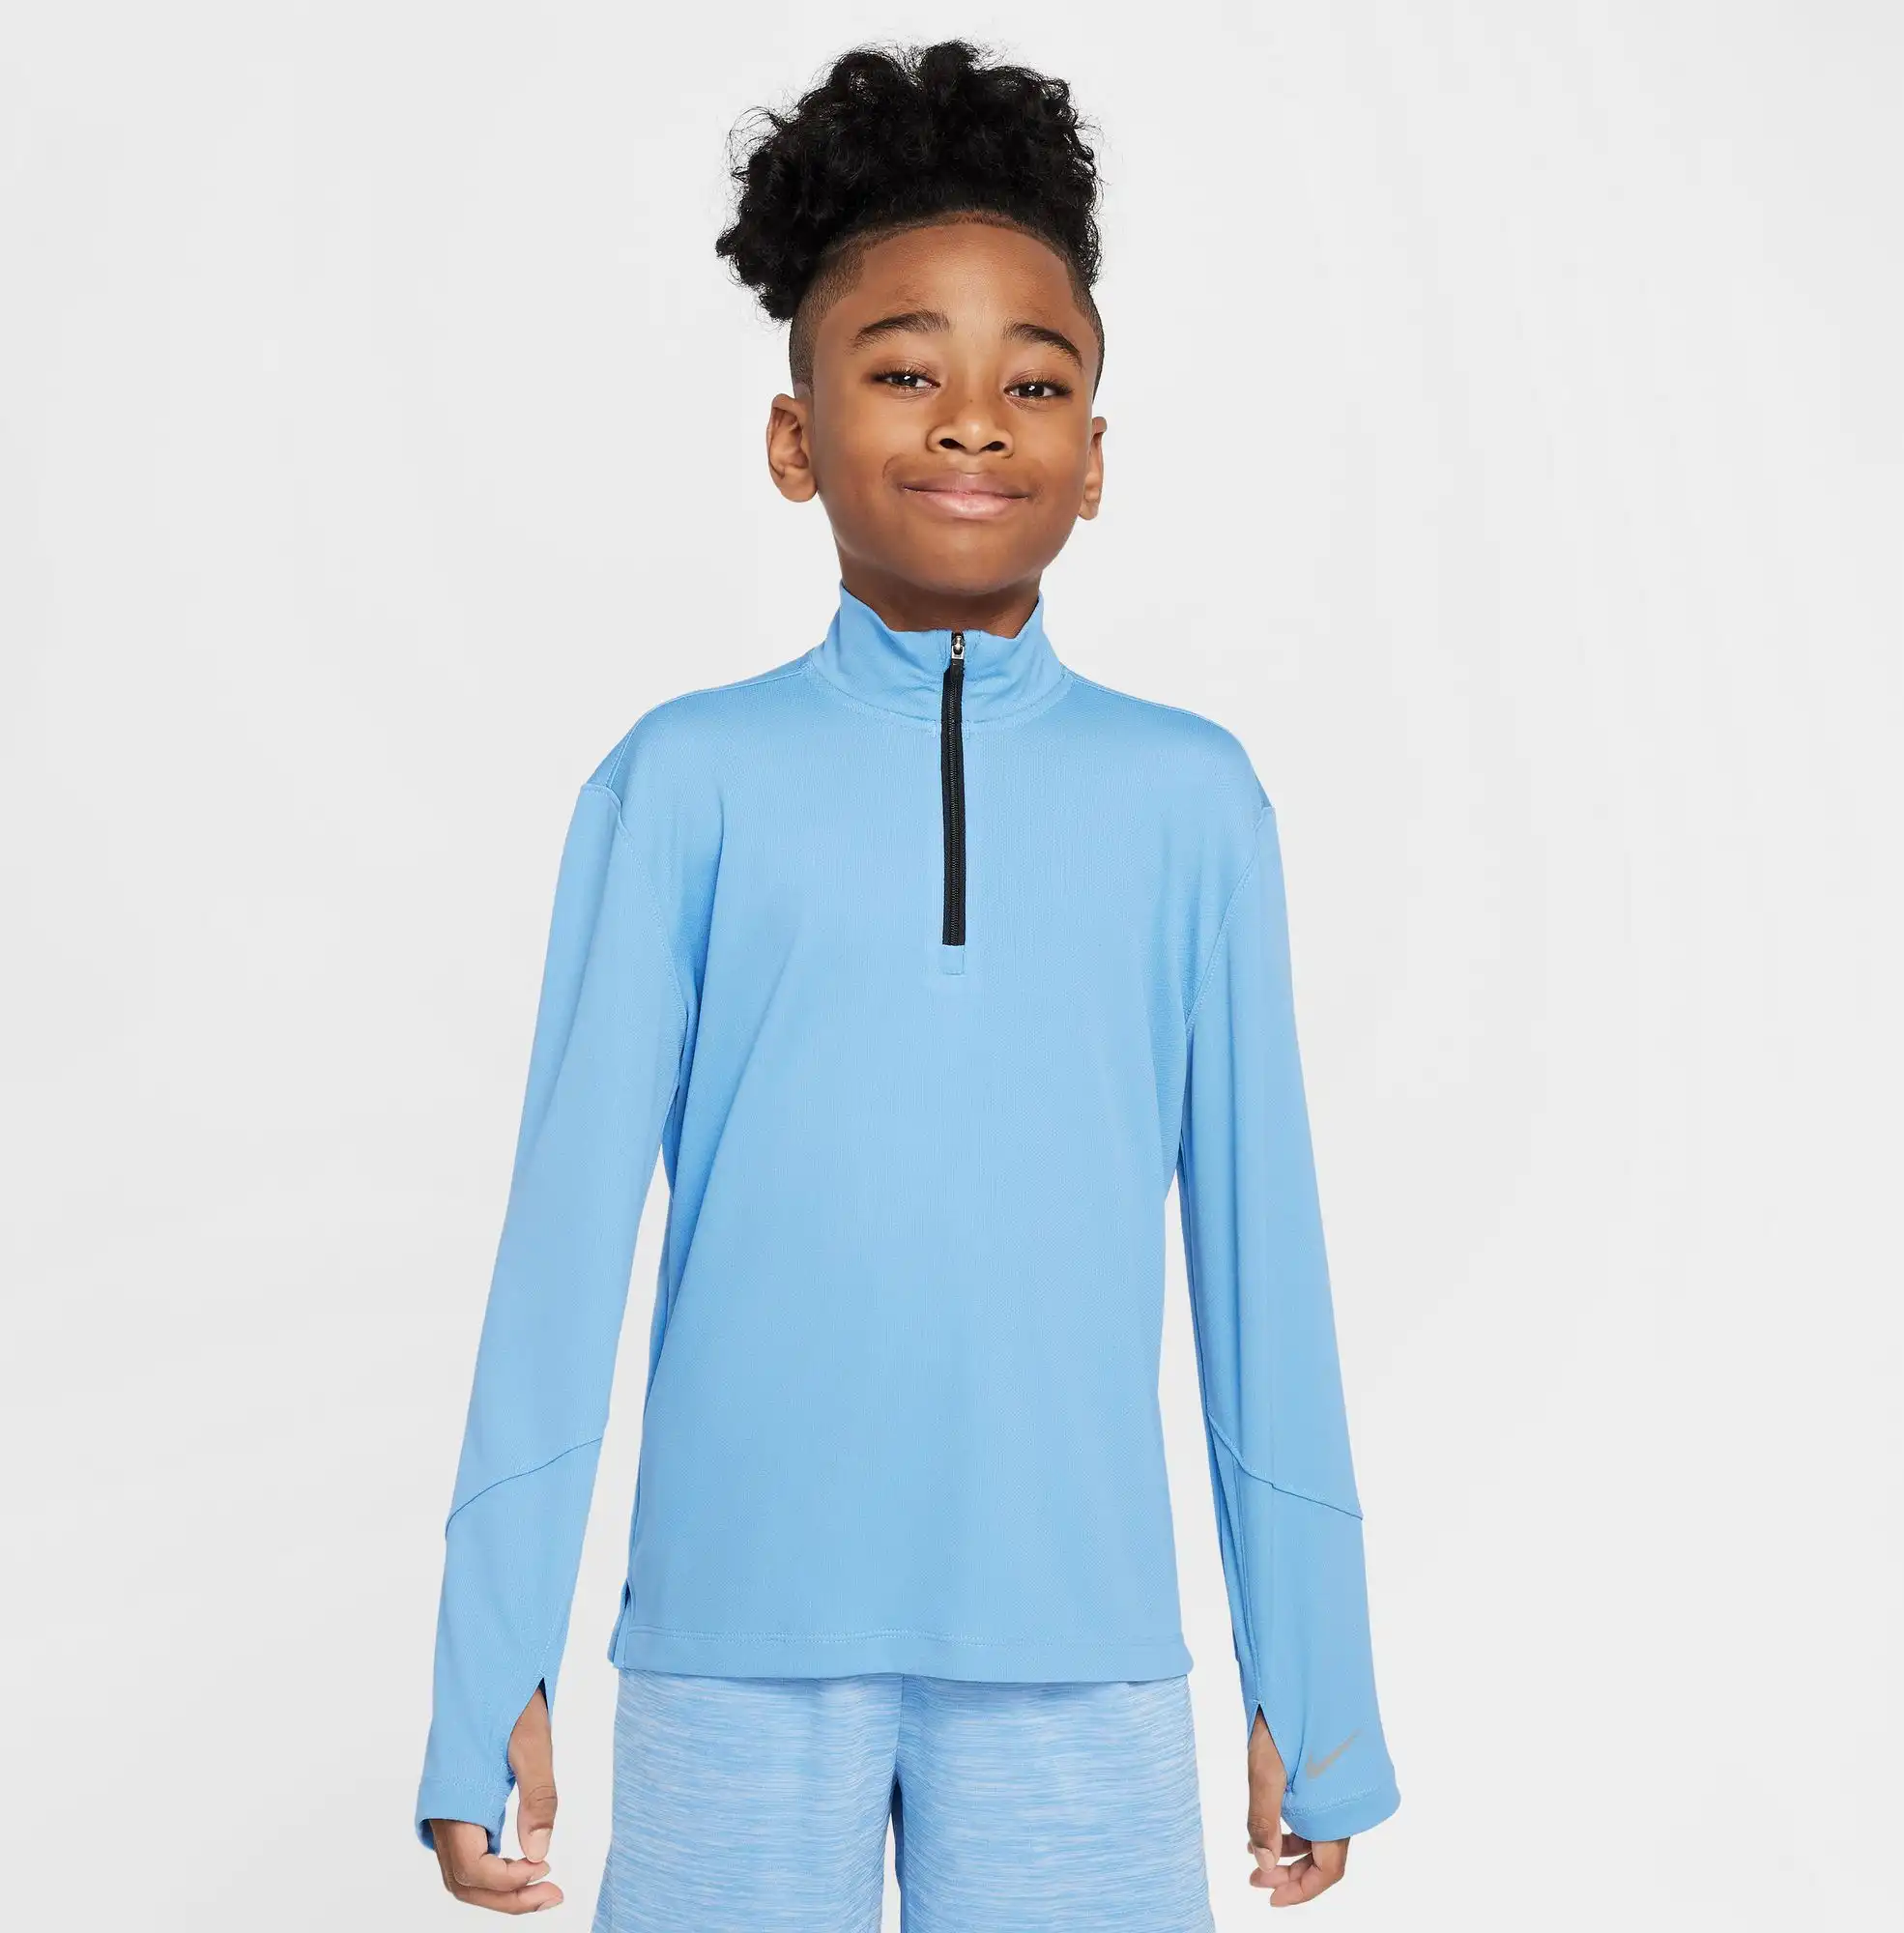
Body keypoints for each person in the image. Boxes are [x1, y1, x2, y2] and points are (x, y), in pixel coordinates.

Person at [416, 37, 1400, 1928]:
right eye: (902, 371)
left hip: (1081, 1660)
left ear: (1094, 460)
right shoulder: (682, 783)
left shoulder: (1189, 803)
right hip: (729, 1649)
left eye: (1033, 381)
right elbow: (558, 1258)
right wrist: (489, 1676)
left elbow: (1262, 1263)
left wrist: (1315, 1678)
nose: (972, 424)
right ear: (795, 440)